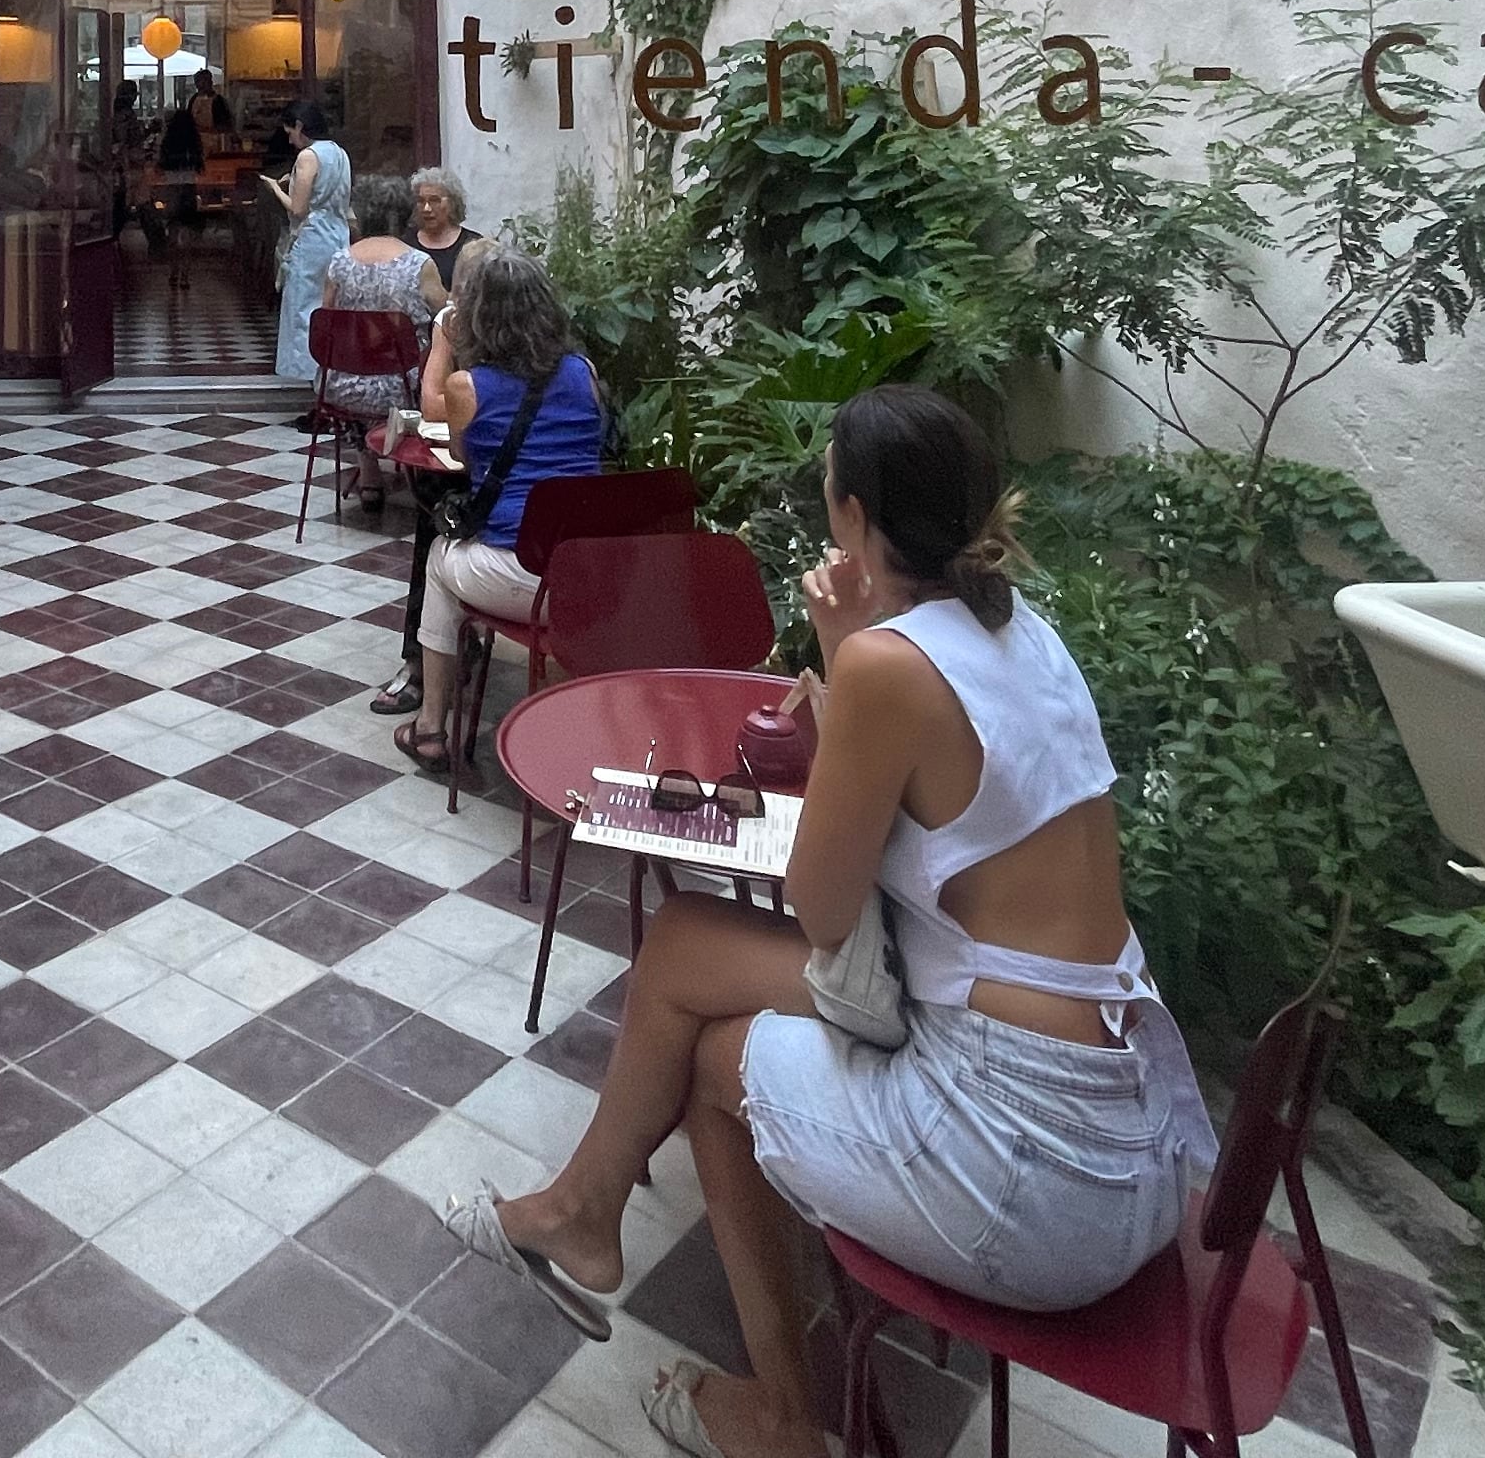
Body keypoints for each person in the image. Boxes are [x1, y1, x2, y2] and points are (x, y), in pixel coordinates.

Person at [439, 388, 1211, 1458]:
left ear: (849, 515)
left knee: (713, 1052)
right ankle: (584, 1215)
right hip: (1135, 1134)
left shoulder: (889, 666)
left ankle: (783, 1417)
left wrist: (849, 657)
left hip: (1035, 1167)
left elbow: (822, 903)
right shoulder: (1026, 635)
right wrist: (860, 650)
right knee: (683, 947)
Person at [394, 247, 607, 771]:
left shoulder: (467, 388)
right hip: (595, 575)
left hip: (523, 574)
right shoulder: (584, 373)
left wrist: (444, 337)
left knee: (440, 556)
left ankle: (430, 726)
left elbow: (467, 457)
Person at [314, 176, 441, 505]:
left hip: (340, 384)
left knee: (362, 364)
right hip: (403, 387)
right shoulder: (418, 264)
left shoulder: (339, 262)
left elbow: (328, 318)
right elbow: (445, 313)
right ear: (404, 214)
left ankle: (368, 472)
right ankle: (424, 469)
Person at [266, 105, 354, 383]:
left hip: (313, 237)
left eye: (290, 131)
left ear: (301, 126)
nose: (290, 138)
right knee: (331, 306)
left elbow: (299, 209)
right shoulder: (339, 153)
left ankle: (312, 379)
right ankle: (331, 376)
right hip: (338, 236)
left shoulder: (308, 156)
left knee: (306, 309)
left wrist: (276, 189)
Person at [407, 168, 485, 295]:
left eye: (435, 200)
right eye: (421, 201)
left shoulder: (472, 244)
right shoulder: (406, 244)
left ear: (453, 203)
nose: (426, 208)